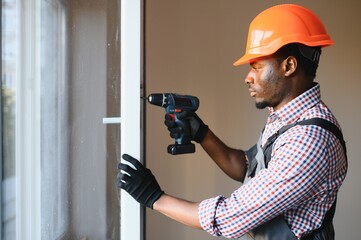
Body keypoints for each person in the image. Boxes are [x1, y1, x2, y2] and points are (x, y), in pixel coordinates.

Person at [117, 4, 347, 240]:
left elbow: (229, 218)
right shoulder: (287, 119)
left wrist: (154, 197)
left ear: (288, 66)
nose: (248, 78)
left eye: (256, 67)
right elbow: (248, 168)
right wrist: (202, 134)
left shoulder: (308, 140)